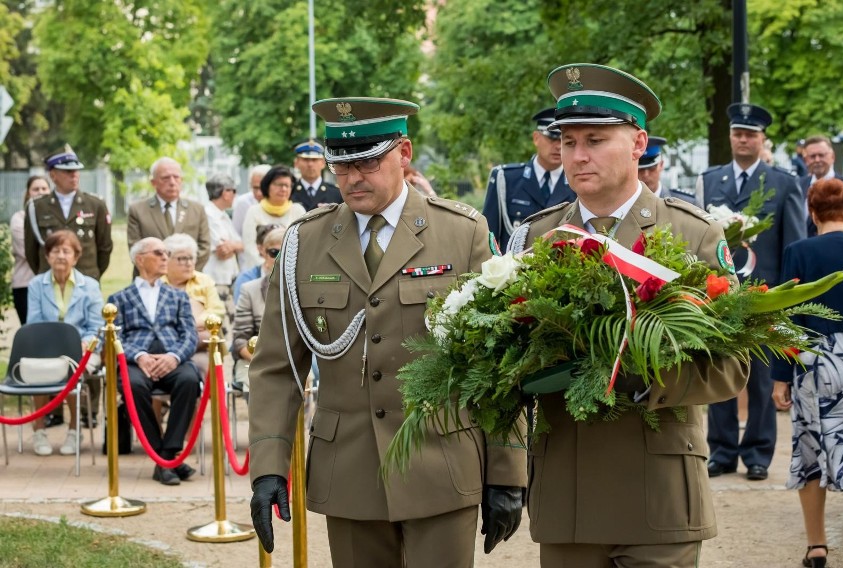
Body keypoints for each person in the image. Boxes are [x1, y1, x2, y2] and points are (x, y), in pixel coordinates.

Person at [248, 97, 526, 565]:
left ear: (404, 153)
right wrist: (268, 466)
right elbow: (277, 367)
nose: (353, 177)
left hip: (442, 462)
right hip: (350, 474)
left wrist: (507, 470)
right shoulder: (303, 243)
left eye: (368, 161)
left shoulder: (462, 233)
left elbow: (499, 360)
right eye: (341, 165)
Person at [506, 63, 749, 567]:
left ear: (639, 144)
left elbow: (732, 365)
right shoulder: (534, 238)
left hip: (657, 489)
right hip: (568, 495)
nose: (577, 155)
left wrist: (640, 377)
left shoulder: (692, 235)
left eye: (595, 139)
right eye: (568, 142)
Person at [699, 103, 806, 481]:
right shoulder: (710, 181)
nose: (743, 139)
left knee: (761, 376)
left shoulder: (784, 182)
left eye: (750, 135)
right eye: (737, 133)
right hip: (721, 292)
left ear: (762, 140)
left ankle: (759, 453)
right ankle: (722, 450)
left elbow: (794, 241)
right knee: (720, 369)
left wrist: (788, 295)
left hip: (765, 292)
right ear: (730, 137)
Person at [771, 178, 843, 568]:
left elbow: (787, 318)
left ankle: (817, 546)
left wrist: (780, 377)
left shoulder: (798, 251)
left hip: (815, 361)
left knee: (810, 450)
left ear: (813, 212)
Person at [108, 237, 200, 486]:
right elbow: (115, 337)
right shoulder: (119, 298)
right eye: (158, 253)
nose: (164, 257)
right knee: (133, 386)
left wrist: (174, 357)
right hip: (137, 362)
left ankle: (165, 456)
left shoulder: (177, 296)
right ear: (140, 259)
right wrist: (139, 356)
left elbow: (189, 334)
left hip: (172, 359)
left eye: (166, 253)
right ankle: (167, 460)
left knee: (190, 379)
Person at [27, 230, 104, 456]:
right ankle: (39, 429)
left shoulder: (89, 286)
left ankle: (74, 430)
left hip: (83, 350)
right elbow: (34, 323)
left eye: (66, 251)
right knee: (37, 369)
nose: (61, 256)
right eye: (55, 251)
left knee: (71, 367)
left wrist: (83, 344)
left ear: (76, 257)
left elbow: (96, 326)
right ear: (48, 256)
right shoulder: (36, 285)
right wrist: (55, 346)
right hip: (45, 349)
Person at [483, 107, 576, 252]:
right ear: (536, 138)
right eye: (551, 138)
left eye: (563, 139)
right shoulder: (506, 179)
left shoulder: (578, 182)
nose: (558, 146)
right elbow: (489, 237)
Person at [24, 145, 114, 281]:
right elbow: (31, 251)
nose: (74, 175)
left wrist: (92, 275)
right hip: (49, 281)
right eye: (68, 171)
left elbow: (105, 247)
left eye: (76, 170)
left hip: (86, 280)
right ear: (53, 175)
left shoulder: (95, 205)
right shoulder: (36, 207)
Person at [127, 157, 210, 272]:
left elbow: (204, 248)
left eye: (176, 177)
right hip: (152, 279)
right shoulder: (138, 210)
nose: (172, 182)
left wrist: (181, 271)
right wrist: (163, 271)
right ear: (153, 182)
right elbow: (136, 249)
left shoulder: (197, 210)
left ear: (182, 180)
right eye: (165, 178)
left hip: (187, 280)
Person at [230, 227, 286, 397]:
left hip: (293, 360)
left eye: (285, 252)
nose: (279, 258)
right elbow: (240, 339)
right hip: (253, 359)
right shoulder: (249, 288)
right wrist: (263, 362)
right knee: (256, 386)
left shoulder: (303, 289)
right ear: (263, 252)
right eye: (274, 252)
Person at [162, 233, 226, 379]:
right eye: (182, 258)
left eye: (191, 258)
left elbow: (216, 312)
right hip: (165, 345)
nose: (189, 263)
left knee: (200, 369)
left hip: (200, 348)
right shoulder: (158, 283)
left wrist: (189, 325)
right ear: (167, 259)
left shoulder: (205, 281)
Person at [240, 165, 306, 268]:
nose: (283, 189)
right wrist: (268, 267)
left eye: (287, 185)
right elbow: (249, 247)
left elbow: (304, 244)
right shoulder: (254, 211)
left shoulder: (298, 211)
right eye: (279, 185)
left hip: (291, 270)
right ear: (267, 186)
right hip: (260, 270)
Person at [202, 173, 243, 321]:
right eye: (234, 191)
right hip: (215, 281)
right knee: (220, 326)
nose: (234, 196)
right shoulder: (207, 215)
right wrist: (234, 247)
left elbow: (240, 244)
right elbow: (223, 250)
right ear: (225, 192)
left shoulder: (223, 215)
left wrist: (233, 246)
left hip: (228, 280)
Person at [12, 175, 50, 324]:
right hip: (26, 285)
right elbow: (29, 251)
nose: (40, 192)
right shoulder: (19, 218)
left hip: (52, 284)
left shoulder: (54, 217)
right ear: (28, 193)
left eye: (44, 188)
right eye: (36, 189)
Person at [798, 135, 843, 238]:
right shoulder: (798, 186)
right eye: (812, 156)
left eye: (821, 155)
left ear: (832, 157)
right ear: (805, 160)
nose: (817, 160)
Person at [637, 136, 698, 205]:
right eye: (640, 169)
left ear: (661, 165)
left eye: (652, 168)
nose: (646, 174)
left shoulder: (686, 203)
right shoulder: (625, 202)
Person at [233, 223, 280, 304]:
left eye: (287, 252)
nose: (279, 258)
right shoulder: (246, 279)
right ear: (261, 249)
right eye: (274, 252)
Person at [290, 139, 343, 211]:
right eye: (305, 160)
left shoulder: (337, 193)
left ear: (323, 163)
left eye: (314, 160)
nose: (310, 164)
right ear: (296, 163)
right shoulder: (289, 192)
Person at [232, 164, 271, 242]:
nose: (259, 193)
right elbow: (235, 235)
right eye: (255, 188)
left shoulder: (282, 203)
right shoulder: (243, 203)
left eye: (262, 187)